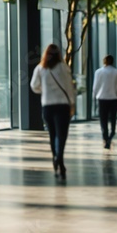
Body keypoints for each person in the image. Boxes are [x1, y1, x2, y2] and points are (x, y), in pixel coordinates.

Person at [30, 44, 76, 176]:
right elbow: (69, 88)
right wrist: (72, 104)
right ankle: (59, 159)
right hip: (63, 105)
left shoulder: (40, 68)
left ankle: (56, 158)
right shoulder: (64, 68)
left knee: (52, 134)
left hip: (47, 106)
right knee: (62, 135)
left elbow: (34, 86)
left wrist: (43, 91)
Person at [92, 54, 117, 150]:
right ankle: (111, 134)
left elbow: (95, 87)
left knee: (103, 120)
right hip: (113, 98)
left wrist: (94, 97)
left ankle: (105, 138)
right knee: (113, 119)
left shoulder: (98, 72)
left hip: (102, 98)